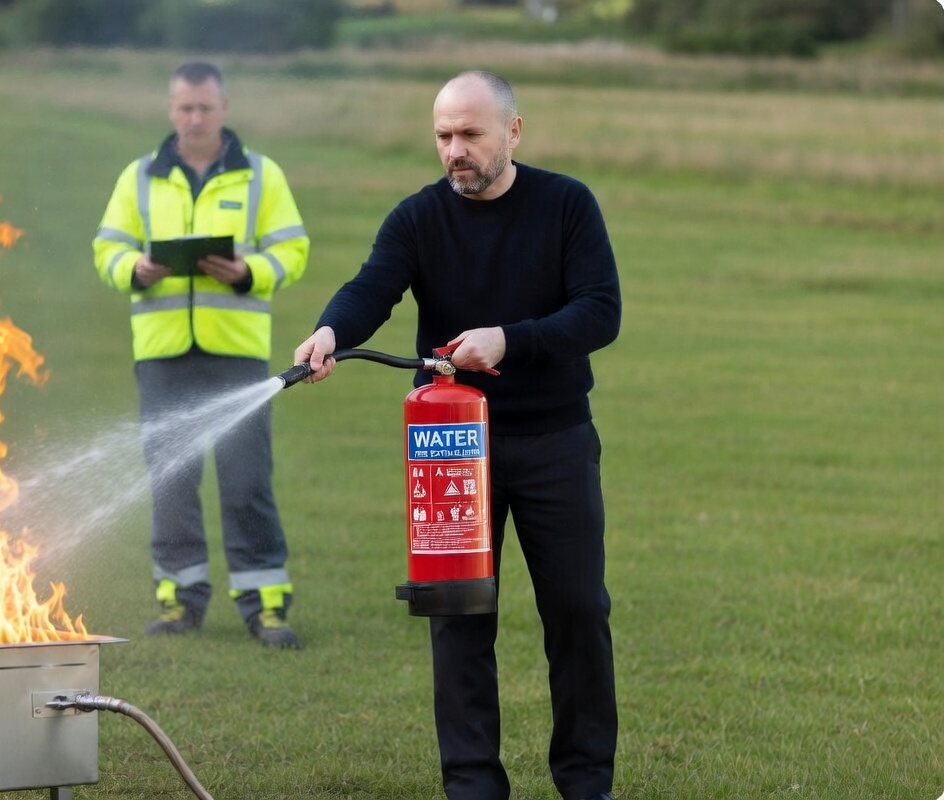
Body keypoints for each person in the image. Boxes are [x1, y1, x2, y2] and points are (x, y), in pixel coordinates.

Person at [293, 71, 620, 799]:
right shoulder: (417, 219)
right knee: (458, 618)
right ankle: (473, 785)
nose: (454, 151)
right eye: (443, 136)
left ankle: (585, 781)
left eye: (470, 134)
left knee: (576, 610)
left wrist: (509, 340)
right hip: (451, 452)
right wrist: (329, 331)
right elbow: (371, 288)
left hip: (554, 441)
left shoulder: (567, 205)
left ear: (513, 131)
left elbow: (600, 313)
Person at [93, 61, 310, 649]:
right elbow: (107, 246)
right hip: (162, 356)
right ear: (171, 110)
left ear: (223, 108)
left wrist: (248, 273)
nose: (194, 118)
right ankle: (177, 601)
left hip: (236, 357)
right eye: (185, 108)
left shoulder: (262, 176)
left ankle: (265, 606)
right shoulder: (138, 178)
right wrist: (133, 269)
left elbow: (292, 248)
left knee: (246, 483)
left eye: (205, 108)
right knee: (171, 483)